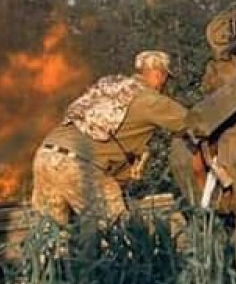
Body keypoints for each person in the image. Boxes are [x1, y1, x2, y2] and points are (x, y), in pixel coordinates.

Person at [29, 50, 190, 226]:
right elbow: (193, 123)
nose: (165, 85)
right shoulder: (152, 101)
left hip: (45, 157)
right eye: (166, 78)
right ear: (159, 75)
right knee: (118, 231)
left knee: (50, 234)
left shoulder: (107, 89)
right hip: (80, 166)